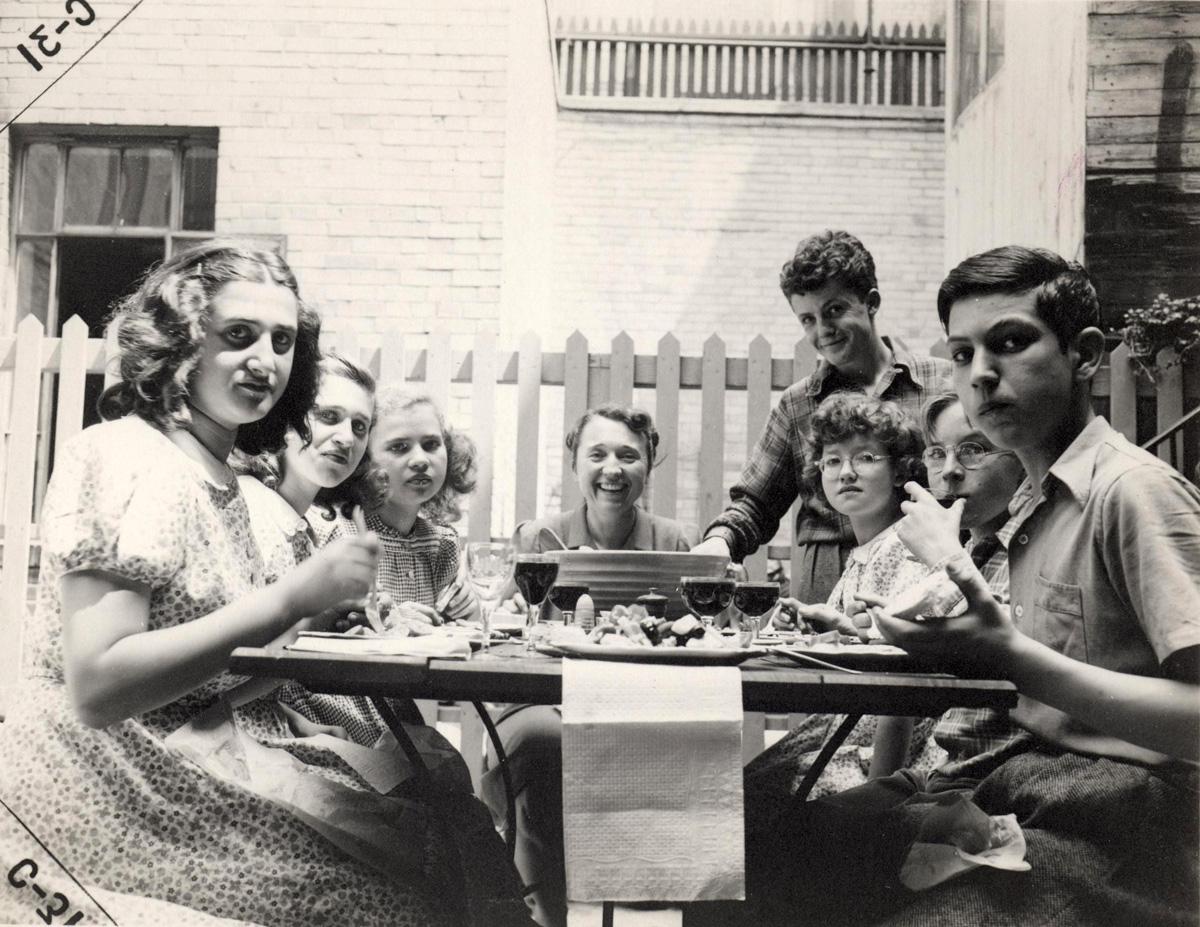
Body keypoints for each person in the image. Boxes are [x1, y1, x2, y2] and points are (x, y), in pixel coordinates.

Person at [0, 241, 532, 927]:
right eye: (239, 335)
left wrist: (305, 629)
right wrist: (289, 599)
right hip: (99, 793)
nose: (266, 359)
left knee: (437, 844)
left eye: (283, 341)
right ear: (179, 339)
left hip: (185, 764)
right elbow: (99, 684)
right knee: (391, 905)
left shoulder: (220, 477)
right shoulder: (123, 454)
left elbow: (218, 669)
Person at [691, 246, 1200, 927]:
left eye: (1011, 343)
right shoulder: (1030, 506)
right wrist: (900, 639)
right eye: (962, 354)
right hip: (1012, 785)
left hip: (1123, 821)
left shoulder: (1129, 492)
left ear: (1083, 354)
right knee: (741, 862)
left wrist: (1007, 654)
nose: (982, 375)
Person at [483, 404, 698, 927]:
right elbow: (499, 626)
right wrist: (510, 612)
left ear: (649, 464)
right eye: (597, 454)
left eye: (629, 455)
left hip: (639, 708)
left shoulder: (672, 542)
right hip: (542, 703)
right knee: (546, 745)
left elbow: (697, 638)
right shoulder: (540, 538)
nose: (612, 469)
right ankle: (550, 911)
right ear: (574, 462)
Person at [694, 229, 951, 604]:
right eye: (807, 319)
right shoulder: (799, 403)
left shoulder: (941, 384)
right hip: (827, 577)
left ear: (871, 302)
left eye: (834, 311)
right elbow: (755, 502)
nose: (823, 331)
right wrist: (720, 542)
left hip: (921, 573)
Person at [746, 392, 942, 805]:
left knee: (756, 798)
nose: (846, 472)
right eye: (833, 460)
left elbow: (903, 673)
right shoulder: (863, 553)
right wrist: (819, 632)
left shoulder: (908, 543)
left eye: (866, 458)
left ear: (899, 471)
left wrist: (877, 797)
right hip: (850, 730)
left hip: (894, 755)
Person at [329, 386, 479, 625]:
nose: (420, 460)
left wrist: (463, 607)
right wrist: (391, 617)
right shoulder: (340, 534)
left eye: (431, 445)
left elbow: (449, 628)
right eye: (399, 447)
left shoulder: (442, 544)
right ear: (364, 461)